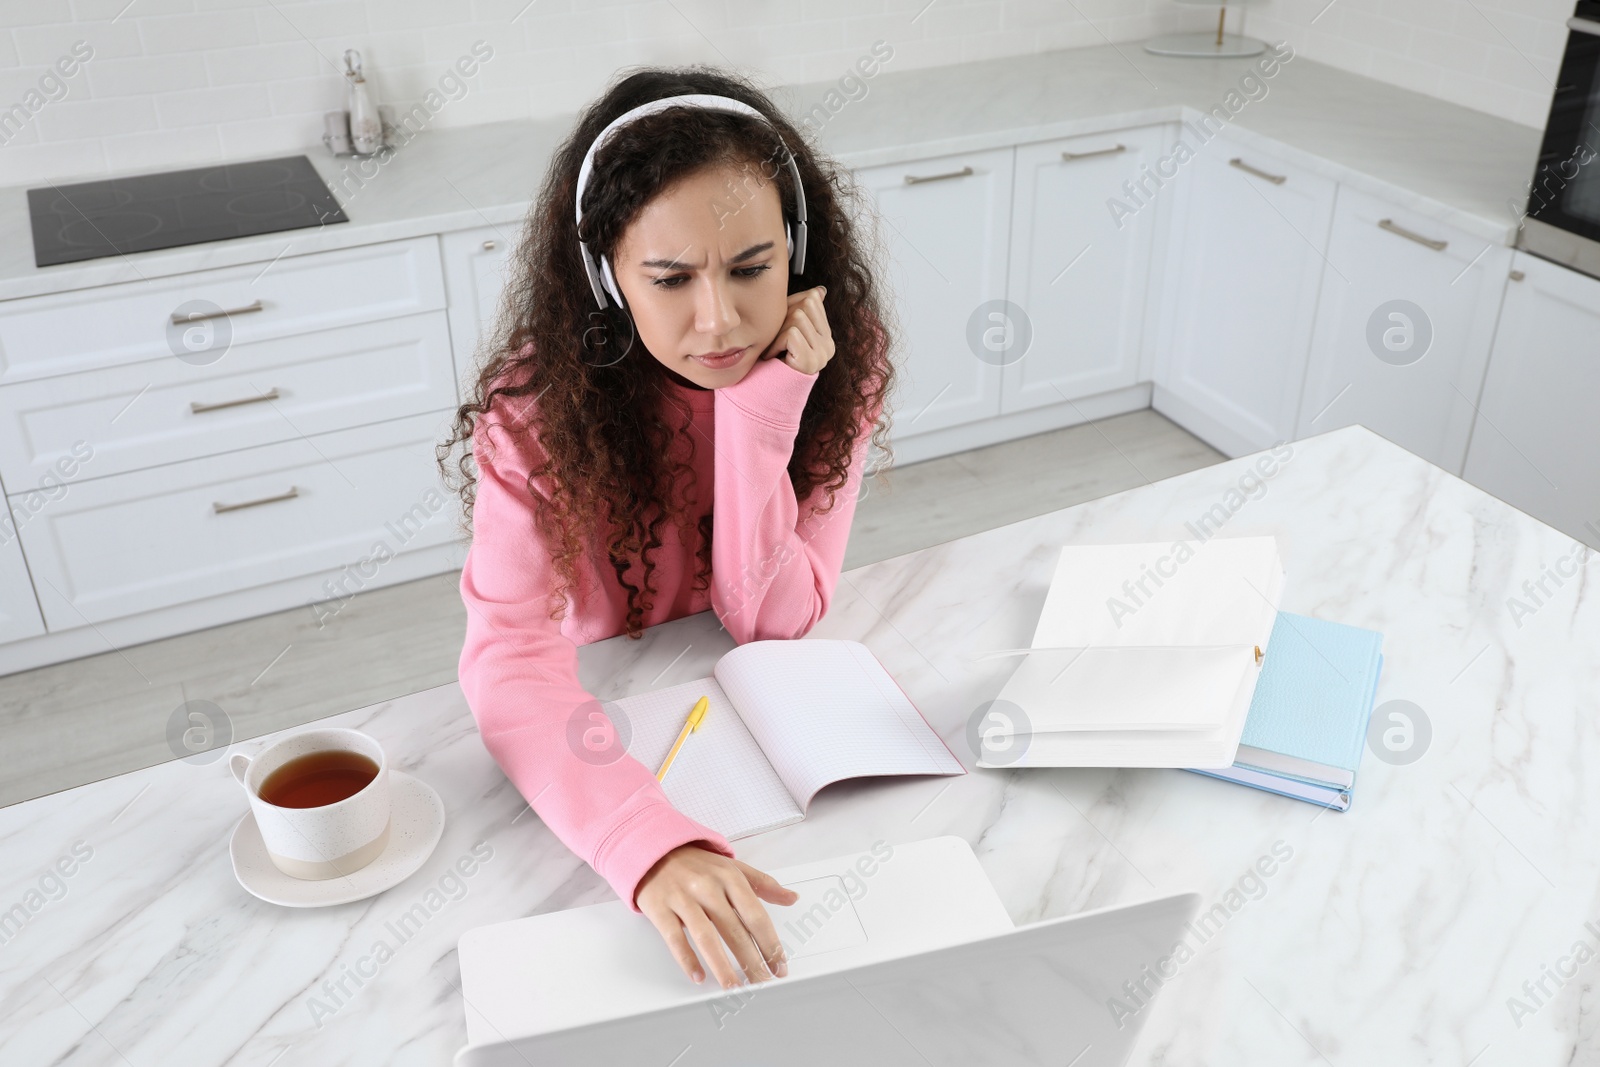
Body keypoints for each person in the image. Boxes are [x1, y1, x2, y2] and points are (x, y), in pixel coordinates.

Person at [437, 65, 896, 993]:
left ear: (797, 250)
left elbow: (773, 620)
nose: (719, 320)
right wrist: (646, 846)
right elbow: (507, 656)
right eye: (670, 278)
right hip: (603, 736)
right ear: (607, 277)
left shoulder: (833, 361)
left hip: (754, 741)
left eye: (752, 268)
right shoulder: (535, 412)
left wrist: (765, 411)